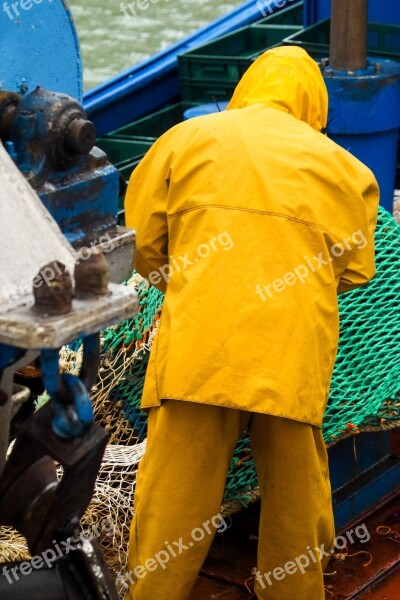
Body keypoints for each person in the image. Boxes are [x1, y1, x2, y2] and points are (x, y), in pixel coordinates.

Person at [124, 46, 379, 600]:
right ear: (314, 103)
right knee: (295, 505)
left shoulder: (183, 141)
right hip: (288, 358)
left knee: (171, 502)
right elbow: (355, 270)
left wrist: (198, 281)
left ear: (245, 89)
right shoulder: (346, 169)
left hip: (198, 350)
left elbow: (144, 246)